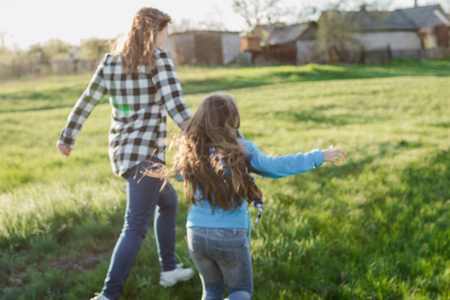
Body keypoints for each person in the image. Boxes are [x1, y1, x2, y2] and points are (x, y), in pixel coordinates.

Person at [149, 93, 347, 300]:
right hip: (229, 234)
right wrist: (318, 156)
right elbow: (274, 166)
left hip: (195, 233)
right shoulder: (239, 150)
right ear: (232, 120)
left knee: (211, 292)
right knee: (241, 291)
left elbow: (182, 176)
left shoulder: (193, 150)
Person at [56, 7, 194, 300]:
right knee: (134, 226)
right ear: (152, 32)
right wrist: (207, 135)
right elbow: (177, 107)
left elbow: (85, 103)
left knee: (168, 201)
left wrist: (67, 137)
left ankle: (169, 268)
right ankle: (108, 294)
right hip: (146, 155)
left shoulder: (110, 63)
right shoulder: (159, 60)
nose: (166, 36)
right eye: (163, 30)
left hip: (124, 153)